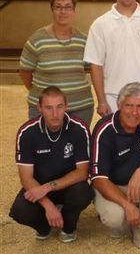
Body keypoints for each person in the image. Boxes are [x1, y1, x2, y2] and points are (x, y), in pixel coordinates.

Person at [90, 82, 140, 249]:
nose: (134, 112)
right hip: (114, 186)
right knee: (115, 218)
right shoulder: (105, 129)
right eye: (129, 106)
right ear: (119, 105)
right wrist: (127, 206)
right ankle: (122, 222)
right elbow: (99, 179)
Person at [9, 86, 93, 243]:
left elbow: (82, 172)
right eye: (49, 108)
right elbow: (26, 178)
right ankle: (44, 227)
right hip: (38, 186)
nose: (55, 114)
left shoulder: (78, 128)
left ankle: (68, 227)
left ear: (66, 107)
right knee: (19, 210)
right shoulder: (27, 133)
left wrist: (47, 187)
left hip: (67, 186)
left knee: (84, 192)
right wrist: (48, 205)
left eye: (59, 107)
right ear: (39, 108)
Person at [19, 0, 94, 125]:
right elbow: (25, 71)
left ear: (73, 11)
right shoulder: (37, 40)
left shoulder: (84, 40)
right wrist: (44, 93)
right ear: (52, 10)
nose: (63, 11)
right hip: (46, 111)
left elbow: (93, 69)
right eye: (58, 7)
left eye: (67, 7)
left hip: (81, 108)